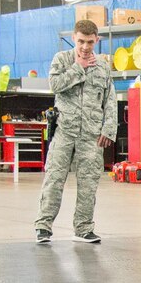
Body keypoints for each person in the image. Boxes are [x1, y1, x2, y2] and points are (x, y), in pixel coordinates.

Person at [34, 19, 117, 244]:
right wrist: (78, 67)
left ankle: (83, 228)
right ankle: (43, 226)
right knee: (54, 178)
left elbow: (110, 100)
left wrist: (109, 129)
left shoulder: (102, 67)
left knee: (89, 183)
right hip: (64, 131)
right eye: (81, 41)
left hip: (92, 134)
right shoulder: (62, 60)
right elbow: (55, 85)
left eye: (90, 42)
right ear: (74, 38)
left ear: (97, 40)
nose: (85, 47)